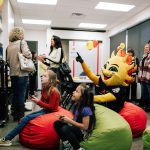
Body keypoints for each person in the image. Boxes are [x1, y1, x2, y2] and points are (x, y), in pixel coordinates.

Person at [0, 70, 60, 146]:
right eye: (42, 75)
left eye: (45, 76)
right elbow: (42, 104)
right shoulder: (44, 88)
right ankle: (8, 138)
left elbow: (51, 107)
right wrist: (36, 101)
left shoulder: (54, 91)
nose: (42, 77)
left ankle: (7, 138)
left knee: (26, 119)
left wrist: (38, 102)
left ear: (51, 80)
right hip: (46, 110)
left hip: (51, 112)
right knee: (26, 117)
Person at [54, 83, 96, 150]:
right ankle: (67, 145)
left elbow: (85, 127)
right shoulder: (77, 105)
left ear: (82, 97)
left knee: (65, 128)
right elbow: (75, 120)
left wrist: (69, 121)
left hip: (83, 134)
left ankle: (78, 148)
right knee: (57, 123)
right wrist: (65, 119)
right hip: (77, 129)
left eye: (76, 91)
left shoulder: (86, 109)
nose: (73, 92)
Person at [6, 27, 32, 121]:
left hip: (13, 74)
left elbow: (8, 61)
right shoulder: (22, 42)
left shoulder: (9, 46)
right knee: (21, 95)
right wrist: (29, 55)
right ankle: (20, 116)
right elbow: (28, 54)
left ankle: (14, 114)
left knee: (15, 94)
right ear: (21, 34)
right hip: (22, 73)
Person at [138, 42, 150, 111]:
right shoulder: (143, 56)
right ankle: (146, 106)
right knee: (144, 93)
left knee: (149, 94)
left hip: (148, 78)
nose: (145, 48)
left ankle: (148, 107)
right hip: (143, 78)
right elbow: (141, 67)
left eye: (147, 47)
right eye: (144, 47)